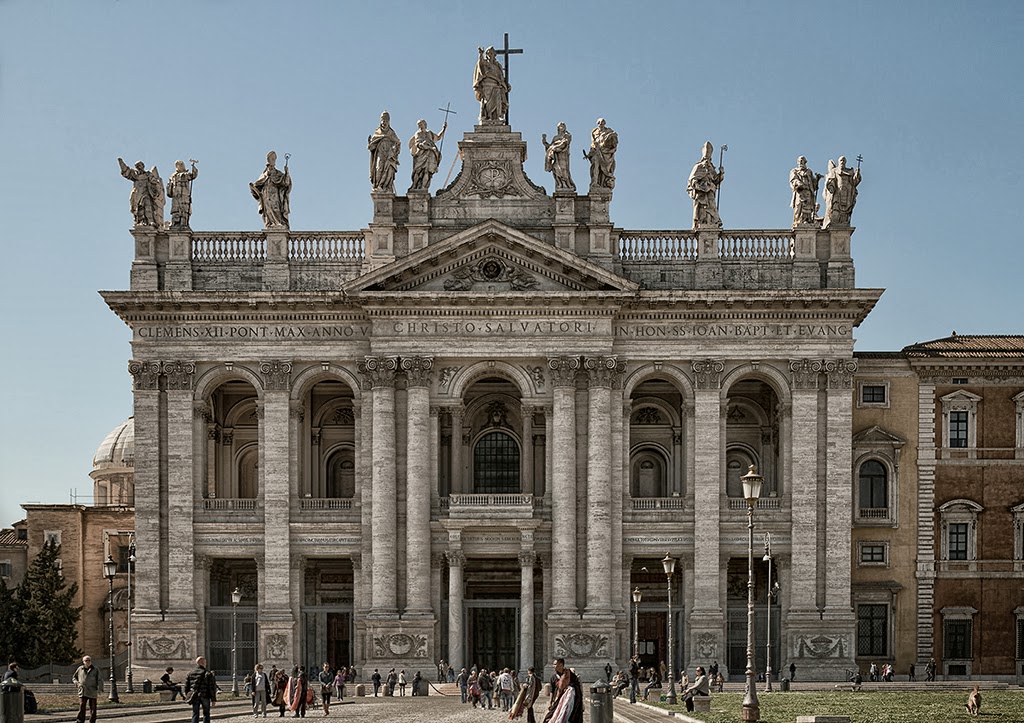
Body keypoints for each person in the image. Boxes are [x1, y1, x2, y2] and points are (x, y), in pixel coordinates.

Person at [687, 141, 724, 228]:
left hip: (710, 189)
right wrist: (698, 185)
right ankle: (703, 222)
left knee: (712, 205)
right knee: (702, 209)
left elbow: (716, 180)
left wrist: (721, 174)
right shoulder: (698, 166)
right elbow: (692, 179)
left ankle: (712, 222)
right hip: (701, 192)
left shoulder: (711, 168)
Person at [117, 158, 164, 228]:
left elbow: (154, 182)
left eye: (140, 165)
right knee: (139, 207)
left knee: (147, 205)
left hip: (146, 193)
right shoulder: (135, 175)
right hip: (137, 194)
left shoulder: (148, 174)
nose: (139, 167)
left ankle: (150, 221)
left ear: (143, 166)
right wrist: (121, 163)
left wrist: (155, 185)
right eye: (137, 166)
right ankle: (141, 221)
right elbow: (126, 172)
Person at [250, 151, 291, 229]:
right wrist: (253, 188)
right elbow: (257, 185)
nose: (272, 161)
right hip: (266, 194)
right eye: (271, 159)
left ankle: (278, 223)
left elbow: (286, 183)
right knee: (268, 210)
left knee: (276, 209)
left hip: (275, 195)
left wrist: (287, 173)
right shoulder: (264, 174)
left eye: (273, 159)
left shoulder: (278, 173)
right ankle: (270, 223)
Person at [408, 119, 447, 191]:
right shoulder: (418, 133)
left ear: (425, 125)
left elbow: (438, 137)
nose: (420, 126)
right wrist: (430, 148)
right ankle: (414, 185)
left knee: (427, 171)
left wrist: (444, 129)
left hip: (431, 154)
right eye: (418, 125)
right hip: (421, 153)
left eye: (421, 124)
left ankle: (423, 187)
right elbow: (419, 145)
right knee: (418, 170)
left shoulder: (430, 133)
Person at [823, 155, 861, 228]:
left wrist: (857, 175)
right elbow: (832, 180)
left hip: (847, 194)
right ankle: (835, 223)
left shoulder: (849, 171)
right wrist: (831, 186)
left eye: (844, 160)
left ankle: (843, 222)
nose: (842, 162)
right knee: (835, 207)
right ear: (838, 162)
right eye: (841, 160)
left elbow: (853, 182)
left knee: (846, 210)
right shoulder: (835, 171)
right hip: (837, 192)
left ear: (845, 162)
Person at [474, 46, 510, 123]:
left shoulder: (497, 66)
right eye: (489, 53)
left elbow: (501, 77)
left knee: (498, 100)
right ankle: (487, 117)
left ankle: (498, 116)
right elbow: (480, 67)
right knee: (487, 102)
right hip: (487, 85)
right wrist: (480, 55)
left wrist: (506, 84)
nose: (490, 54)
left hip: (497, 85)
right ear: (486, 54)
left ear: (494, 54)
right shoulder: (484, 63)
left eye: (492, 53)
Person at [368, 111, 401, 193]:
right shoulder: (377, 132)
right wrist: (371, 145)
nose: (384, 122)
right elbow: (372, 145)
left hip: (389, 154)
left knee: (389, 169)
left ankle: (386, 186)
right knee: (379, 168)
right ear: (381, 121)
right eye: (383, 120)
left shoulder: (391, 133)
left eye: (386, 120)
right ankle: (379, 186)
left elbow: (398, 143)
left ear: (389, 121)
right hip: (380, 153)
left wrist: (394, 149)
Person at [543, 658, 582, 723]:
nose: (553, 666)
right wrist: (551, 702)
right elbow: (552, 690)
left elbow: (577, 686)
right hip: (557, 700)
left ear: (561, 665)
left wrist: (570, 688)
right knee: (550, 717)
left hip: (570, 702)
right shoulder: (553, 677)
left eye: (555, 664)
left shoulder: (570, 674)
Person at [584, 118, 618, 191]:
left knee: (603, 171)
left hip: (606, 154)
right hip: (596, 152)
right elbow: (593, 144)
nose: (601, 125)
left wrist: (610, 139)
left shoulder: (609, 131)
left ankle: (601, 184)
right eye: (599, 123)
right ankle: (594, 183)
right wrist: (589, 154)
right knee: (595, 166)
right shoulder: (594, 131)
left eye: (602, 123)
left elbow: (614, 144)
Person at [789, 156, 823, 226]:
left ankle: (807, 220)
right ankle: (799, 221)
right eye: (800, 161)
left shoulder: (809, 171)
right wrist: (799, 183)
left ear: (805, 162)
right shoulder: (794, 171)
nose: (801, 162)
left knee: (808, 207)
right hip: (800, 191)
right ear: (797, 162)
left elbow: (813, 184)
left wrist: (817, 179)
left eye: (802, 160)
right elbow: (793, 180)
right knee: (799, 206)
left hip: (808, 192)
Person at [166, 159, 199, 230]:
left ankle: (184, 223)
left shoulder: (186, 174)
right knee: (175, 209)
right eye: (177, 165)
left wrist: (193, 167)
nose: (179, 166)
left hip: (184, 195)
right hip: (176, 196)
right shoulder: (173, 176)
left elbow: (193, 175)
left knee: (184, 208)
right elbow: (169, 186)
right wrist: (169, 189)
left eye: (180, 165)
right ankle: (175, 223)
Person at [542, 123, 576, 191]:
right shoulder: (555, 138)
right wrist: (545, 142)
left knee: (564, 170)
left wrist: (555, 147)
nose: (563, 127)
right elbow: (550, 147)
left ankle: (566, 185)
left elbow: (564, 144)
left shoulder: (566, 136)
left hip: (563, 156)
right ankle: (560, 184)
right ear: (558, 128)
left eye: (564, 126)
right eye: (561, 126)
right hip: (555, 156)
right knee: (556, 169)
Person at [184, 655, 218, 723]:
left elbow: (186, 686)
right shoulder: (208, 673)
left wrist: (188, 695)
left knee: (195, 713)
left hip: (195, 695)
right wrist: (213, 699)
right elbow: (211, 687)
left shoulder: (190, 673)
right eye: (205, 662)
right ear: (203, 663)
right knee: (206, 713)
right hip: (205, 695)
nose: (206, 664)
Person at [73, 654, 100, 723]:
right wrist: (77, 683)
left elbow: (99, 679)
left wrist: (99, 688)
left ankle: (92, 721)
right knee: (82, 706)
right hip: (83, 690)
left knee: (93, 708)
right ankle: (80, 721)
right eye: (86, 660)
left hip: (92, 691)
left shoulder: (95, 669)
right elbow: (74, 678)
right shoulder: (80, 669)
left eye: (89, 660)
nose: (87, 662)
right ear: (83, 662)